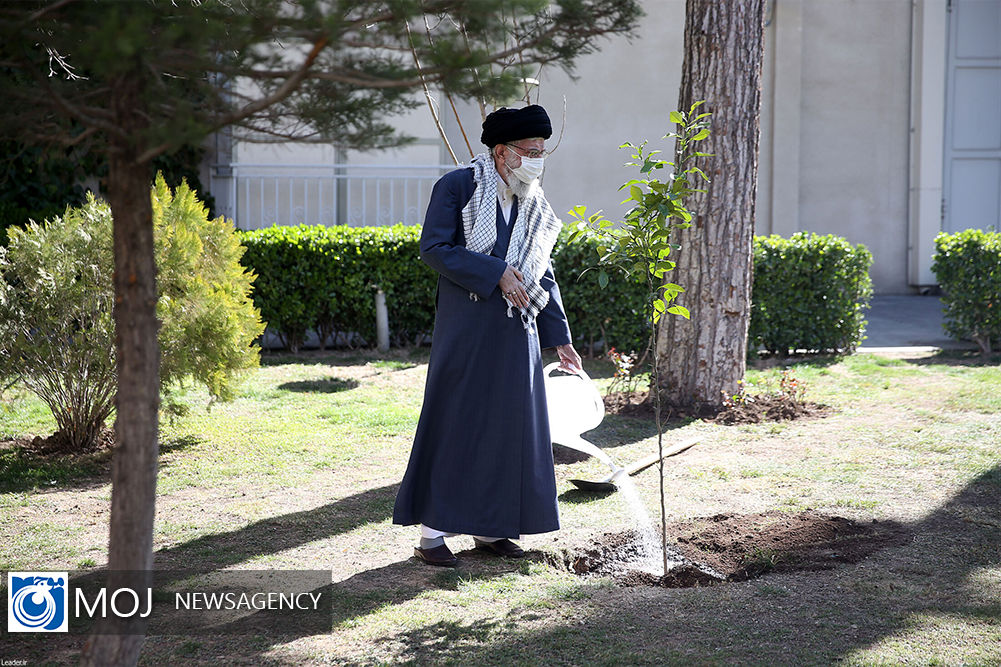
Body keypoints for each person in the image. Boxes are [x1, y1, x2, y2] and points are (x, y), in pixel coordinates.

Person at [392, 104, 583, 567]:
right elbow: (434, 248)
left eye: (542, 152)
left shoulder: (532, 199)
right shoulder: (456, 186)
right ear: (502, 152)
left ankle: (492, 529)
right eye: (531, 151)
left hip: (518, 335)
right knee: (460, 424)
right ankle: (432, 536)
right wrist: (496, 273)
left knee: (509, 432)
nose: (538, 160)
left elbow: (542, 271)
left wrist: (560, 336)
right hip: (468, 329)